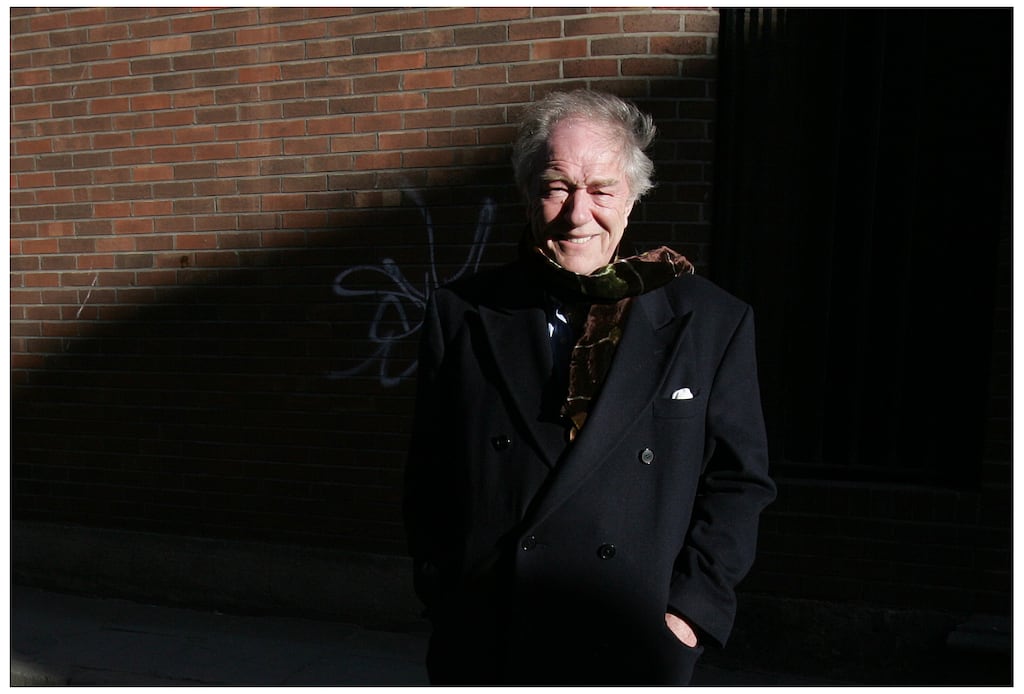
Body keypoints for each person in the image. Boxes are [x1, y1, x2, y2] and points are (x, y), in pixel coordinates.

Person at [404, 89, 776, 685]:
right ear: (529, 193)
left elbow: (738, 481)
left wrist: (690, 612)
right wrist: (444, 590)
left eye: (601, 190)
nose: (579, 214)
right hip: (491, 639)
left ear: (631, 199)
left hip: (632, 642)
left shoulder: (710, 321)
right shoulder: (462, 312)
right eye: (557, 187)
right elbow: (431, 469)